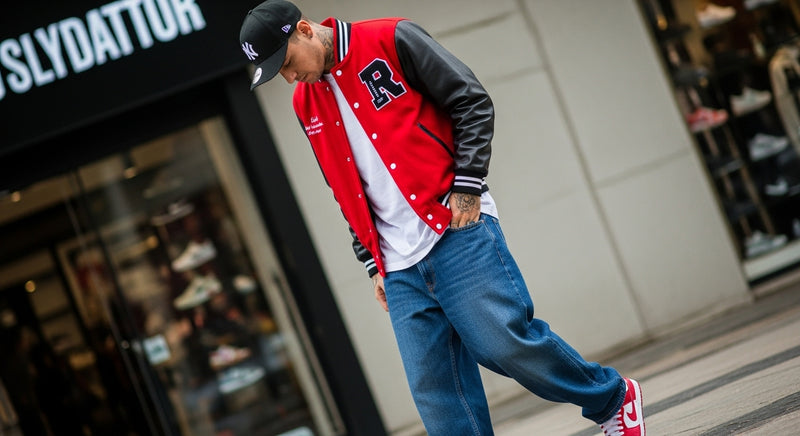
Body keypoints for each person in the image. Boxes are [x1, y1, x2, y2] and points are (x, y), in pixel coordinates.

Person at [238, 1, 646, 435]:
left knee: (504, 344)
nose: (288, 77)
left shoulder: (391, 37)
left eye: (285, 63)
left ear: (304, 29)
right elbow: (343, 186)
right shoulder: (306, 104)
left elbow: (471, 101)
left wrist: (467, 187)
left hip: (453, 229)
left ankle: (611, 398)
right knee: (435, 390)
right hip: (397, 266)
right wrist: (373, 260)